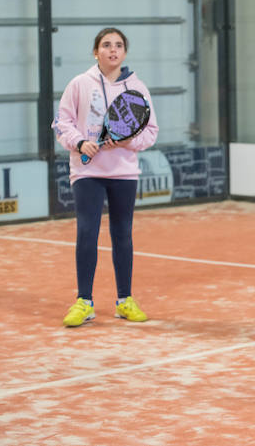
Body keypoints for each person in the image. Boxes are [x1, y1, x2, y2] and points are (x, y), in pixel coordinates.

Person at [52, 27, 159, 327]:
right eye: (106, 45)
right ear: (95, 51)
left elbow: (150, 132)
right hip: (87, 171)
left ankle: (125, 300)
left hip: (124, 172)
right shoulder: (79, 84)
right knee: (87, 231)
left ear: (125, 53)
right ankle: (84, 302)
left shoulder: (136, 88)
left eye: (119, 45)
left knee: (122, 234)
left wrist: (127, 142)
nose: (113, 50)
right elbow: (61, 122)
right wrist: (78, 142)